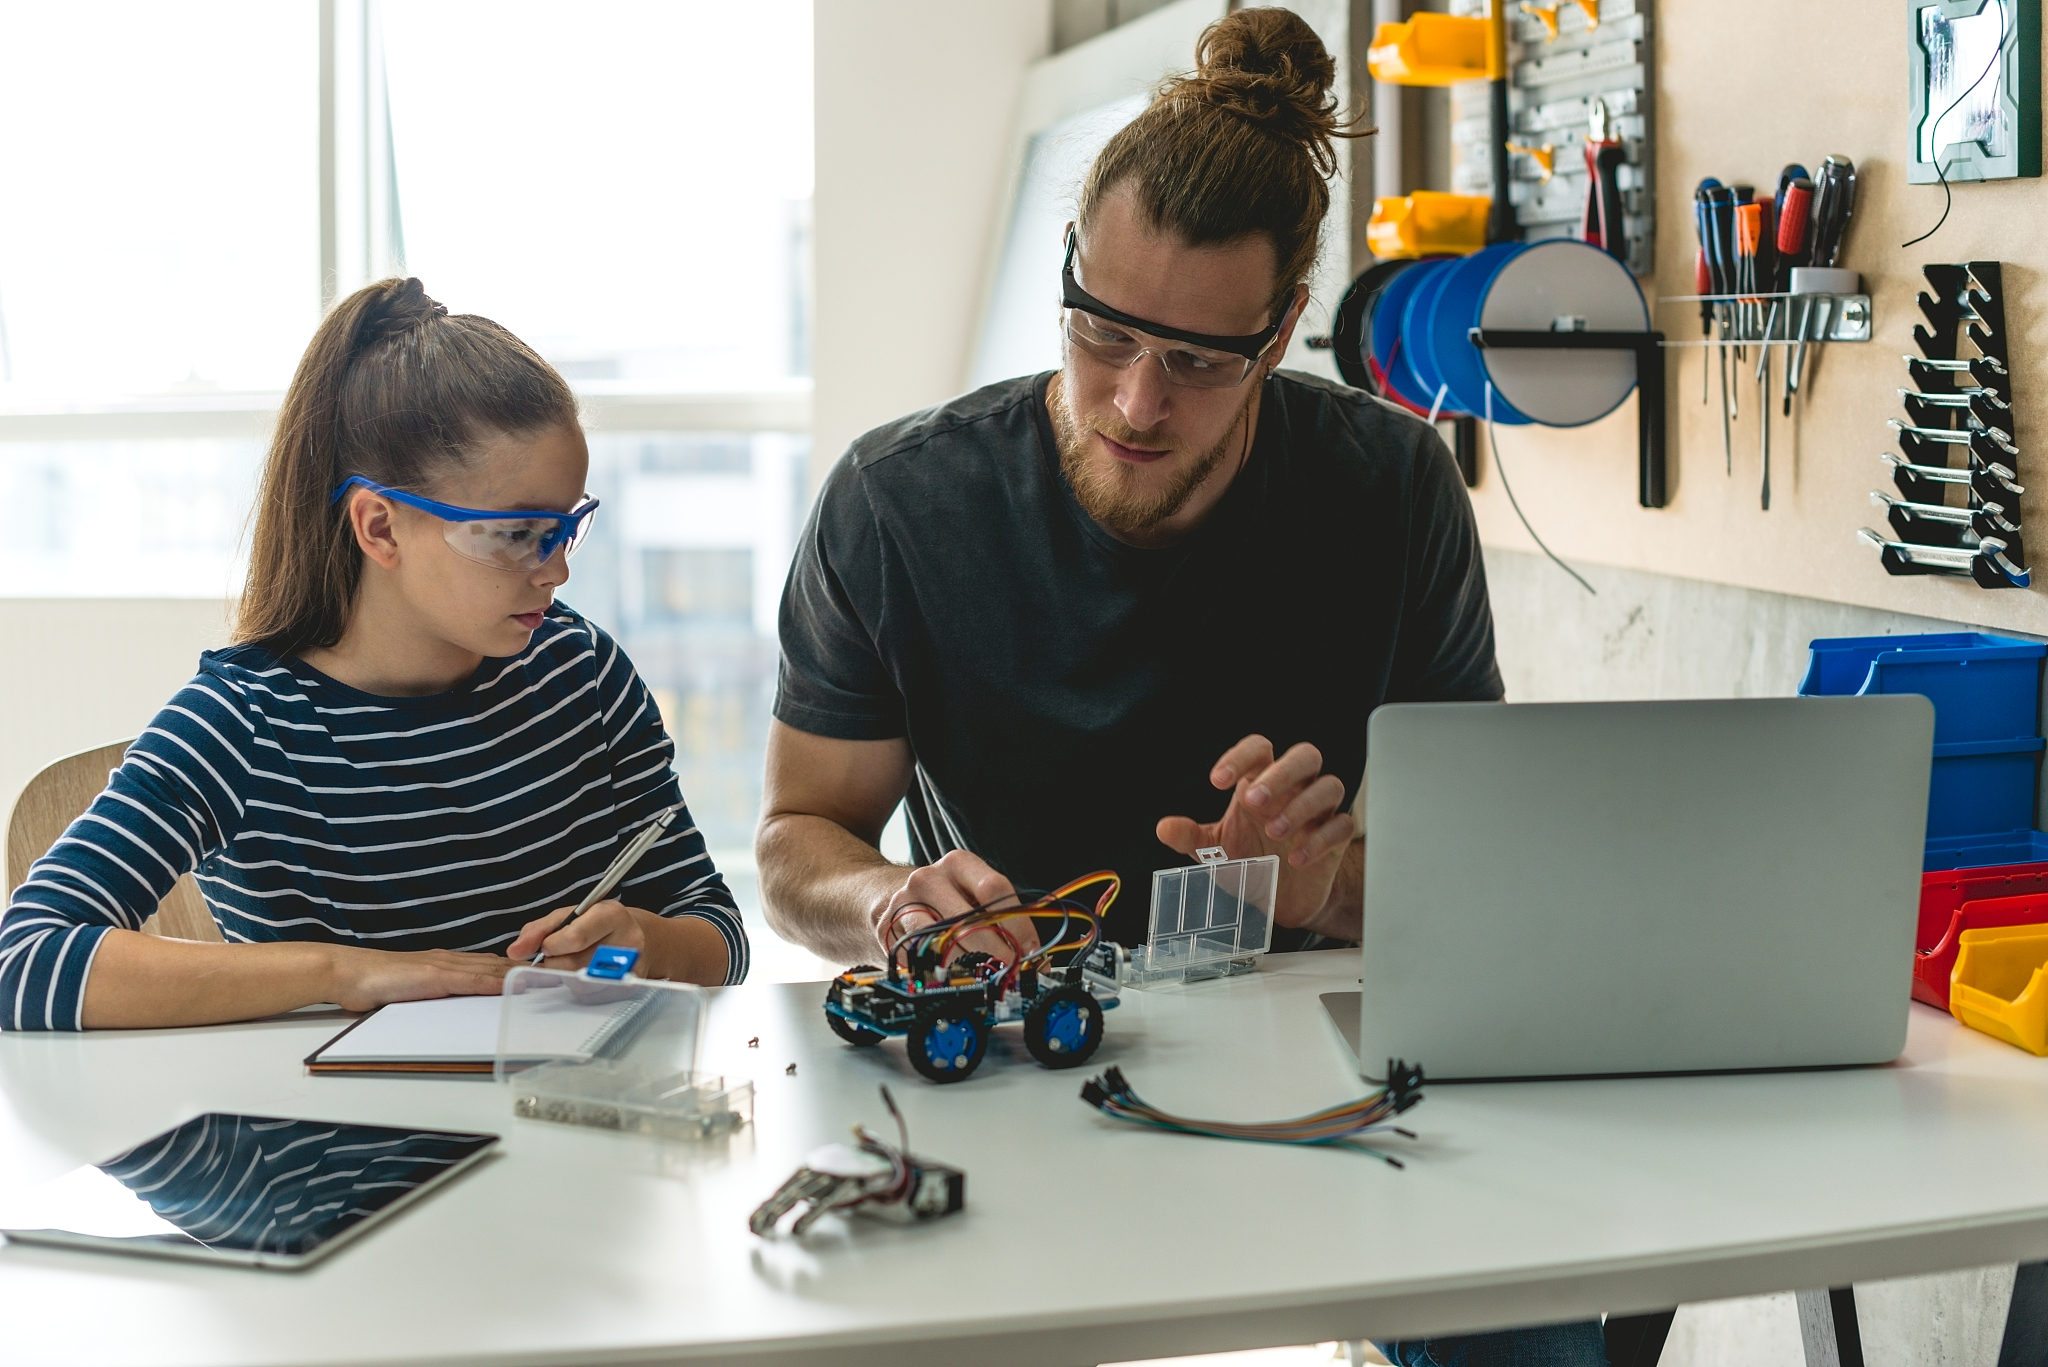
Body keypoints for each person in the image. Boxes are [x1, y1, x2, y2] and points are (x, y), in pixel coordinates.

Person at [759, 9, 1600, 1365]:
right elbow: (800, 837)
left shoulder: (1389, 492)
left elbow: (1476, 879)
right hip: (1016, 1055)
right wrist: (885, 898)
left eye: (1198, 363)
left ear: (1275, 341)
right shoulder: (897, 503)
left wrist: (1328, 887)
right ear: (1067, 285)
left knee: (1530, 1309)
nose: (1135, 403)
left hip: (1308, 1056)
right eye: (1101, 334)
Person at [0, 278, 746, 1032]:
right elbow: (25, 961)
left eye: (566, 527)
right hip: (332, 1143)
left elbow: (717, 928)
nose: (556, 570)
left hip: (571, 1122)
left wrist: (647, 945)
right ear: (380, 528)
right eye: (518, 534)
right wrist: (342, 971)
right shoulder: (243, 723)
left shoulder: (581, 675)